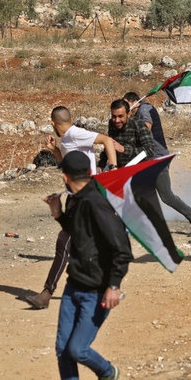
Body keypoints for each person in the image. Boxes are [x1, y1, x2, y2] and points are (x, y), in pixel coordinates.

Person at [44, 151, 132, 380]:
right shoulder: (79, 199)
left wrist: (114, 285)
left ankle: (107, 372)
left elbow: (122, 248)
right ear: (90, 173)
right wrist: (58, 214)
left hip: (96, 292)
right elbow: (78, 233)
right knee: (63, 350)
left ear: (65, 177)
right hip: (73, 286)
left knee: (78, 349)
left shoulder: (95, 203)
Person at [26, 106, 118, 310]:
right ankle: (105, 288)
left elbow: (106, 140)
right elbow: (67, 163)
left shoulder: (76, 133)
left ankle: (46, 293)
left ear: (52, 122)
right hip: (75, 196)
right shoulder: (67, 138)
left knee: (65, 243)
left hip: (88, 196)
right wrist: (55, 151)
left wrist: (112, 170)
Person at [123, 92, 191, 237]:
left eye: (127, 104)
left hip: (157, 159)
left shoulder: (144, 109)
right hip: (148, 159)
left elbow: (145, 128)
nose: (125, 108)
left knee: (166, 196)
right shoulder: (137, 113)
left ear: (135, 102)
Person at [98, 99, 156, 168]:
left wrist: (124, 149)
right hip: (119, 169)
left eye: (120, 116)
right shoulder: (112, 123)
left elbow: (150, 150)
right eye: (114, 116)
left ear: (128, 114)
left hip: (137, 170)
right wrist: (101, 164)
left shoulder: (138, 124)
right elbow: (109, 146)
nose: (117, 120)